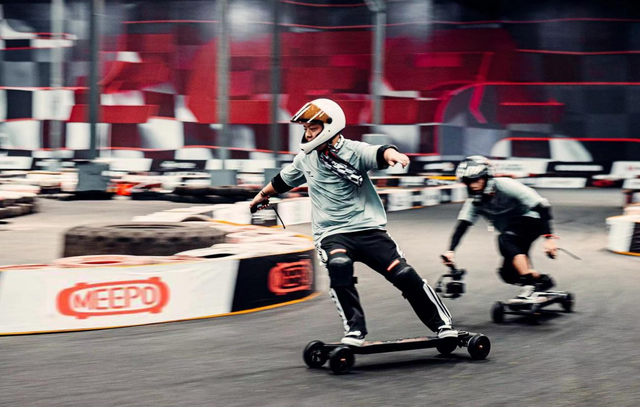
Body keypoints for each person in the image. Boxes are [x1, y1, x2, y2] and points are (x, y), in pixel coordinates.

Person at [250, 98, 457, 346]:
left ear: (330, 126)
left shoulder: (354, 151)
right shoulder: (305, 158)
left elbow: (378, 152)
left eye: (312, 128)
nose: (308, 134)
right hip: (332, 234)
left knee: (403, 274)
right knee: (339, 265)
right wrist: (261, 196)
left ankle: (443, 326)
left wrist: (394, 155)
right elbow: (282, 180)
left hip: (368, 229)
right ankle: (355, 330)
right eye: (305, 128)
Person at [441, 156, 558, 298]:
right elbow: (462, 225)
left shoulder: (505, 185)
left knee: (505, 239)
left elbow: (542, 205)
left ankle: (528, 284)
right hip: (512, 231)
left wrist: (549, 238)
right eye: (468, 181)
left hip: (533, 219)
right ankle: (542, 280)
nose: (473, 185)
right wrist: (451, 251)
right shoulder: (475, 201)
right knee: (508, 274)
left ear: (487, 177)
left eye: (476, 180)